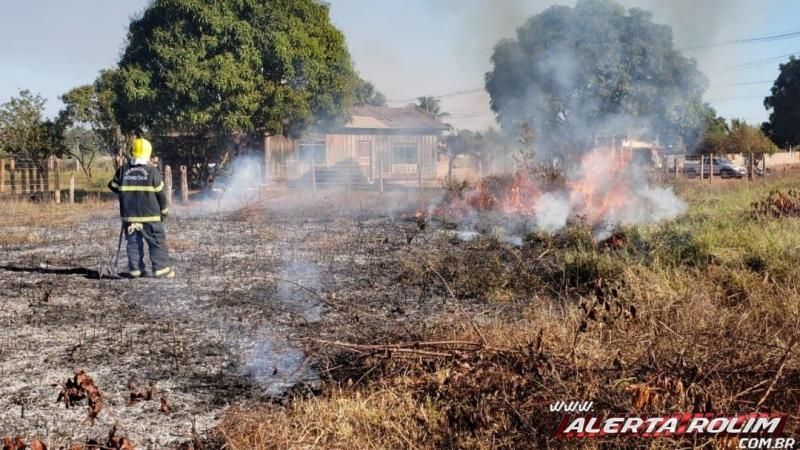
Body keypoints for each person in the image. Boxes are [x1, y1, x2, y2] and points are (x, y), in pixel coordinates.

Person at [108, 136, 174, 279]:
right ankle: (161, 270)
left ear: (132, 151)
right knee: (156, 241)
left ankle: (136, 270)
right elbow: (161, 194)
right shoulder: (152, 171)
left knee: (133, 243)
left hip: (130, 217)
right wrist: (164, 210)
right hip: (151, 216)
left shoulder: (123, 170)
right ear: (148, 153)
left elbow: (113, 187)